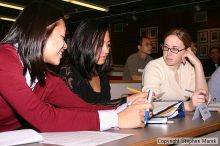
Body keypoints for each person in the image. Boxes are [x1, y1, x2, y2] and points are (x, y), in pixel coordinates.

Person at [0, 2, 152, 132]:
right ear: (41, 32)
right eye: (62, 37)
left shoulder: (45, 78)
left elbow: (83, 107)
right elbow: (44, 118)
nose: (65, 46)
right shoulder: (4, 60)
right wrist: (116, 119)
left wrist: (125, 107)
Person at [59, 19, 142, 106]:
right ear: (84, 44)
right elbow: (81, 111)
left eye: (108, 44)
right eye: (100, 44)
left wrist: (131, 101)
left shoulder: (101, 73)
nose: (107, 50)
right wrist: (127, 100)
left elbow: (103, 107)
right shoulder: (68, 72)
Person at [142, 28, 209, 111]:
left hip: (182, 120)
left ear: (186, 51)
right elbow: (149, 104)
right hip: (158, 122)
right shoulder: (154, 67)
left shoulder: (188, 68)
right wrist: (187, 106)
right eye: (166, 47)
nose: (168, 53)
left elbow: (205, 99)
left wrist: (197, 65)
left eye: (174, 49)